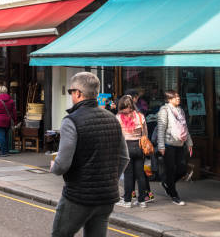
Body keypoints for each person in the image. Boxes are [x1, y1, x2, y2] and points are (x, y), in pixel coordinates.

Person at [50, 72, 129, 237]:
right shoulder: (112, 119)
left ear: (78, 93)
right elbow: (124, 157)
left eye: (71, 92)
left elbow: (62, 164)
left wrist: (54, 167)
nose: (71, 95)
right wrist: (111, 179)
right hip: (106, 196)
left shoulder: (71, 121)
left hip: (78, 197)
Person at [157, 90, 193, 206]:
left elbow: (184, 128)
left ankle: (167, 182)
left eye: (178, 96)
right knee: (171, 169)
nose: (178, 98)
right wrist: (161, 146)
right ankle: (174, 195)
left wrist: (189, 143)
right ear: (169, 99)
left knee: (182, 169)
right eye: (175, 97)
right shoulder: (164, 110)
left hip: (180, 144)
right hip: (168, 144)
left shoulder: (181, 110)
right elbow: (161, 129)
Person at [115, 95, 149, 208]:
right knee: (140, 175)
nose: (124, 110)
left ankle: (127, 201)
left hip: (126, 147)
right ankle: (142, 201)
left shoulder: (118, 117)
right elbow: (145, 133)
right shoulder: (140, 116)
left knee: (128, 175)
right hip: (139, 146)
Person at [0, 85, 16, 157]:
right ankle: (6, 150)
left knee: (1, 136)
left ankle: (3, 152)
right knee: (6, 136)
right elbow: (14, 112)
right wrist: (15, 121)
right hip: (7, 120)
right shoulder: (11, 101)